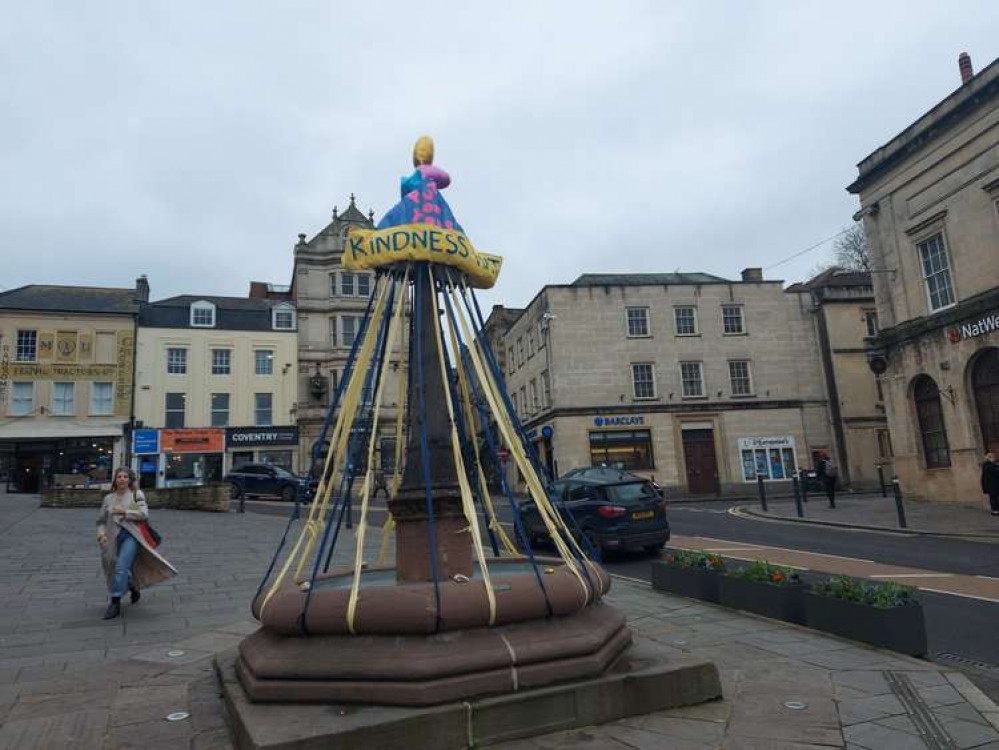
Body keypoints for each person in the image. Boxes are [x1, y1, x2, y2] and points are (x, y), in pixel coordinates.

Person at [97, 468, 176, 620]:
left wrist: (124, 511)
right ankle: (132, 585)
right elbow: (100, 521)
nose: (122, 479)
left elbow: (143, 514)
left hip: (131, 536)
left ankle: (115, 602)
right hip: (112, 537)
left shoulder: (136, 495)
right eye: (119, 476)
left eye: (125, 477)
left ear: (129, 480)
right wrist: (101, 534)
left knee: (121, 567)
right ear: (115, 480)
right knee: (111, 564)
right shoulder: (108, 498)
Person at [980, 452, 999, 516]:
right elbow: (995, 472)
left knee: (994, 497)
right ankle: (995, 511)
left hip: (993, 484)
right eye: (992, 457)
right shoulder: (987, 466)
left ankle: (995, 510)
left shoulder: (989, 465)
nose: (994, 458)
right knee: (994, 498)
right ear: (989, 458)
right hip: (992, 485)